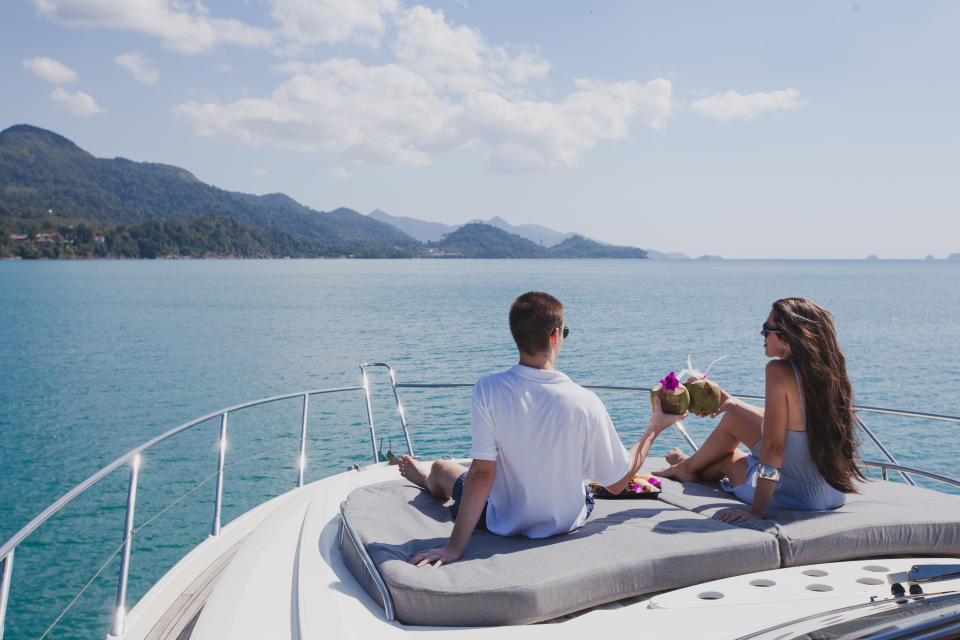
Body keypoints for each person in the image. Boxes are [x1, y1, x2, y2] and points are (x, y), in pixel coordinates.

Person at [398, 291, 685, 567]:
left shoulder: (487, 389)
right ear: (555, 335)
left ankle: (427, 479)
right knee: (580, 481)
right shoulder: (585, 401)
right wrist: (654, 427)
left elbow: (483, 475)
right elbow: (618, 483)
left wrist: (454, 548)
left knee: (442, 468)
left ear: (516, 337)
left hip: (501, 521)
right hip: (567, 520)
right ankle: (428, 478)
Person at [656, 297, 865, 522]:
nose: (761, 334)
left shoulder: (778, 371)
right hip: (833, 493)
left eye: (767, 329)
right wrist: (732, 402)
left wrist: (757, 511)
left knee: (728, 459)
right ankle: (688, 465)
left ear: (787, 336)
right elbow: (795, 423)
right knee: (733, 416)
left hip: (797, 496)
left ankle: (688, 467)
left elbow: (774, 448)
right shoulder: (829, 371)